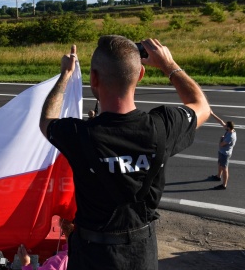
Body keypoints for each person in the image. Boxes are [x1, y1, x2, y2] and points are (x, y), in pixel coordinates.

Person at [39, 36, 210, 269]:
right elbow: (201, 105)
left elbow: (47, 120)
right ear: (140, 75)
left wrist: (65, 75)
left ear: (94, 78)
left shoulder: (79, 134)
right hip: (142, 254)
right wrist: (169, 65)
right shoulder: (163, 126)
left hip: (92, 256)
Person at [209, 111, 236, 190]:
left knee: (225, 168)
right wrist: (212, 113)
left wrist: (221, 138)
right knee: (220, 164)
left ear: (229, 128)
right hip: (222, 152)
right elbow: (221, 122)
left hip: (225, 153)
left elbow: (221, 144)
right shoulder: (231, 130)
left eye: (226, 126)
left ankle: (224, 185)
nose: (224, 126)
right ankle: (218, 176)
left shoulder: (230, 136)